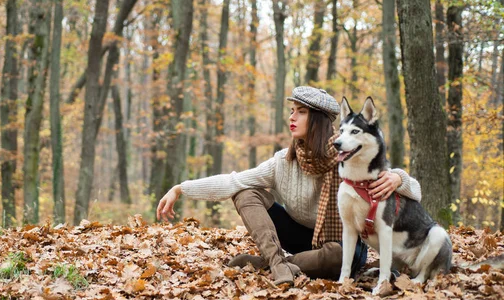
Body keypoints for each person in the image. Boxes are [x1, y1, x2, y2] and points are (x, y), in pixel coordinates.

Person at [157, 86, 421, 286]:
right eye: (292, 110)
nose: (292, 117)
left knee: (338, 256)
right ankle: (277, 263)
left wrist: (398, 177)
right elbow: (232, 181)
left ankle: (268, 265)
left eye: (301, 111)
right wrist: (181, 188)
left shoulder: (349, 156)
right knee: (246, 191)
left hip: (340, 246)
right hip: (300, 238)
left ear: (318, 120)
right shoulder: (282, 162)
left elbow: (414, 191)